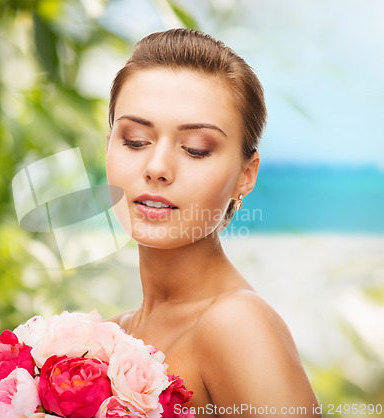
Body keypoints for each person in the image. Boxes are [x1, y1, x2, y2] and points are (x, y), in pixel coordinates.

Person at [106, 29, 320, 417]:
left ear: (246, 175)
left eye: (196, 149)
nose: (157, 168)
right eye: (135, 140)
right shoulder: (105, 337)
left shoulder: (237, 325)